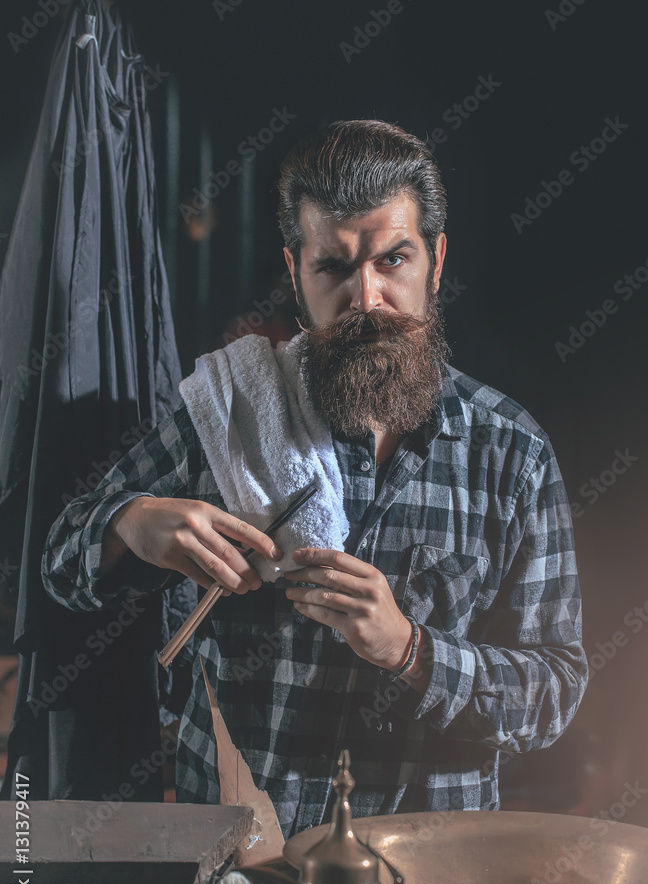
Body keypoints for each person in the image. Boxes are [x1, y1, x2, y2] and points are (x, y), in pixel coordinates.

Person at [42, 120, 588, 838]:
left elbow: (552, 694)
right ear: (296, 272)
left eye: (392, 259)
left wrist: (408, 648)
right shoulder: (228, 414)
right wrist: (131, 523)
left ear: (435, 258)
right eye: (333, 267)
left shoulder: (509, 454)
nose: (366, 297)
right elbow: (60, 566)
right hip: (243, 873)